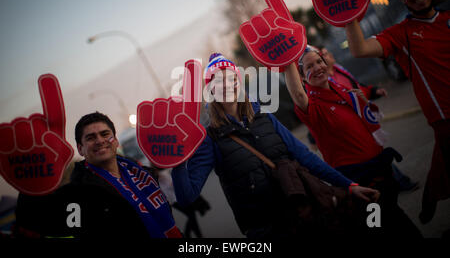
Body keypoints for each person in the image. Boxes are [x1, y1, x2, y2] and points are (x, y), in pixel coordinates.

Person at [171, 53, 379, 238]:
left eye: (232, 78)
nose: (227, 85)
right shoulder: (210, 138)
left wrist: (348, 186)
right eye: (219, 81)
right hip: (265, 230)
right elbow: (187, 197)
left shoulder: (264, 116)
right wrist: (176, 162)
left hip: (302, 214)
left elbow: (305, 157)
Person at [344, 0, 450, 223]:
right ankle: (433, 193)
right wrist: (348, 15)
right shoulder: (400, 33)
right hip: (444, 119)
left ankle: (433, 192)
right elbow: (359, 49)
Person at [284, 46, 422, 238]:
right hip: (361, 183)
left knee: (395, 219)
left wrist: (371, 93)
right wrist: (286, 61)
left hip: (382, 173)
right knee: (379, 228)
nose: (316, 68)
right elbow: (298, 95)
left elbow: (360, 94)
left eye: (319, 62)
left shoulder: (340, 89)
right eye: (309, 67)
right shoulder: (312, 106)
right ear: (303, 78)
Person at [14, 112, 182, 239]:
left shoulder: (139, 173)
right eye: (90, 137)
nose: (100, 140)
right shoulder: (79, 193)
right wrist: (33, 179)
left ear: (115, 140)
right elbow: (35, 218)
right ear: (80, 149)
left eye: (104, 134)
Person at [315, 46, 419, 193]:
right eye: (324, 55)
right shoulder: (325, 82)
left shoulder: (339, 70)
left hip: (362, 119)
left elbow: (357, 87)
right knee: (376, 156)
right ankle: (398, 182)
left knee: (377, 153)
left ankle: (393, 183)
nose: (329, 55)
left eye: (327, 52)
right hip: (351, 126)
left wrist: (374, 91)